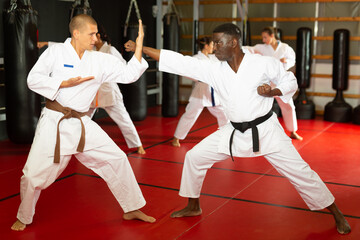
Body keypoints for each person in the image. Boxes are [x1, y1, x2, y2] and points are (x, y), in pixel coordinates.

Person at [124, 23, 351, 234]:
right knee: (194, 157)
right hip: (232, 132)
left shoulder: (262, 63)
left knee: (300, 172)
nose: (214, 48)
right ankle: (193, 205)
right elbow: (180, 62)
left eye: (218, 43)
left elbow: (290, 81)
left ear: (233, 42)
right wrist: (142, 48)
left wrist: (273, 92)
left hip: (266, 130)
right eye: (213, 44)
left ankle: (337, 213)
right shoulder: (215, 68)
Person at [11, 14, 155, 232]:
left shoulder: (100, 59)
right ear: (76, 33)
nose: (95, 38)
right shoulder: (56, 52)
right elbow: (33, 79)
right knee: (32, 176)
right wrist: (62, 82)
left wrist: (140, 46)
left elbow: (129, 75)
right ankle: (24, 215)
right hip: (54, 122)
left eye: (96, 33)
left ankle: (132, 207)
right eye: (91, 33)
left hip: (81, 122)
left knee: (117, 158)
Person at [38, 26, 146, 155]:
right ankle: (73, 145)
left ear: (99, 36)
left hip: (109, 92)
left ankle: (137, 144)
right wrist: (46, 43)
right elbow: (67, 48)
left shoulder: (110, 50)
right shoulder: (90, 50)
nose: (91, 39)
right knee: (80, 121)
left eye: (93, 35)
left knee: (124, 119)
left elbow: (124, 67)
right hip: (90, 93)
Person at [244, 26, 303, 141]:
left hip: (280, 82)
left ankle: (292, 131)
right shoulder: (261, 48)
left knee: (289, 106)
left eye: (265, 37)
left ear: (272, 36)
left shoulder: (285, 48)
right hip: (266, 83)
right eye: (262, 38)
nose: (263, 40)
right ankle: (252, 132)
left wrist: (286, 62)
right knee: (257, 107)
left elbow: (292, 60)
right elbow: (248, 49)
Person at [172, 36, 228, 147]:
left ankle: (225, 137)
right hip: (200, 93)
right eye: (212, 45)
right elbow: (186, 71)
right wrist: (198, 78)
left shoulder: (213, 58)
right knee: (190, 115)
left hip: (214, 93)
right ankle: (176, 138)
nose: (213, 47)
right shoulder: (196, 58)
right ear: (206, 46)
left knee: (224, 114)